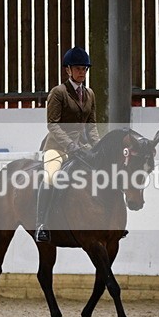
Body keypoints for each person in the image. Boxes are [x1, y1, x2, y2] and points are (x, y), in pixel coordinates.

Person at [35, 46, 100, 242]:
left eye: (84, 69)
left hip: (81, 148)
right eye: (78, 68)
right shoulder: (58, 93)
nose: (82, 72)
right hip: (56, 147)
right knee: (51, 176)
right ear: (68, 70)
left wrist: (97, 148)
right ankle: (41, 224)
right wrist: (70, 144)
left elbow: (91, 126)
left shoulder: (89, 94)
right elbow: (52, 125)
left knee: (103, 171)